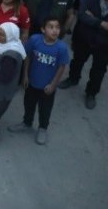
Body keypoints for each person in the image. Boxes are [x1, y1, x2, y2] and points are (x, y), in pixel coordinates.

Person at [7, 15, 69, 145]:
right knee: (28, 103)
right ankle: (27, 123)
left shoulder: (61, 48)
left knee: (45, 108)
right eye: (51, 27)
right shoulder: (34, 40)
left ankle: (42, 128)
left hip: (47, 86)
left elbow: (61, 67)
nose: (55, 30)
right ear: (43, 29)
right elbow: (28, 57)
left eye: (57, 27)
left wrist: (53, 85)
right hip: (32, 82)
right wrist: (25, 76)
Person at [59, 0, 108, 109]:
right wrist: (100, 23)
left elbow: (87, 17)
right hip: (84, 38)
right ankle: (73, 79)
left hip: (104, 45)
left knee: (99, 70)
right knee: (77, 60)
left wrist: (92, 18)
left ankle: (91, 93)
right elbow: (81, 14)